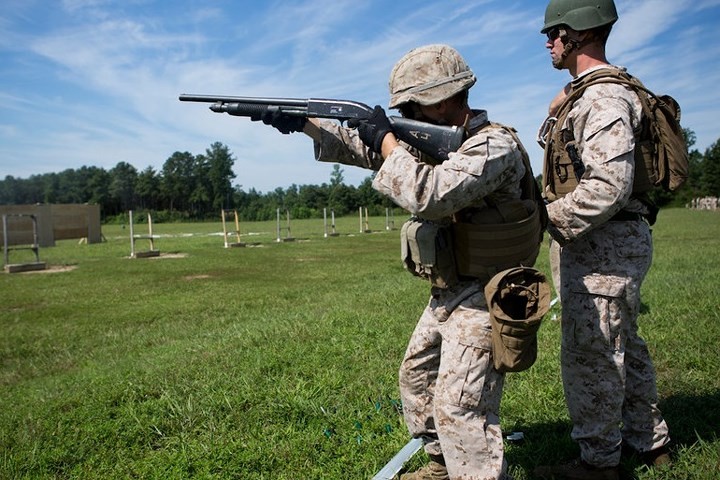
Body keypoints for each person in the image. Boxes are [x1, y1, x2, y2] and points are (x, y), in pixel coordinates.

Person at [258, 44, 542, 480]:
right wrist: (307, 126)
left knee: (460, 405)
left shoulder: (493, 146)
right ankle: (442, 465)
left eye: (412, 106)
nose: (406, 114)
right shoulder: (438, 141)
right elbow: (366, 150)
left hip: (488, 291)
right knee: (417, 377)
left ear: (444, 99)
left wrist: (387, 138)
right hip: (451, 288)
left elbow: (429, 195)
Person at [534, 1, 671, 479]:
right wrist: (555, 112)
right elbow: (568, 159)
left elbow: (607, 186)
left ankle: (598, 463)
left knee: (592, 352)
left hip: (603, 245)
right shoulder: (587, 94)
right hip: (604, 241)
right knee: (623, 345)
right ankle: (651, 443)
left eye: (555, 31)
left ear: (580, 34)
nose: (547, 40)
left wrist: (544, 220)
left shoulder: (605, 98)